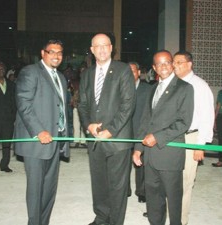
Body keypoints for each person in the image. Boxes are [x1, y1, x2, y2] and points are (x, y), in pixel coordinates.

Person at [78, 33, 136, 225]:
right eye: (97, 46)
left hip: (117, 139)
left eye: (105, 45)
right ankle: (102, 217)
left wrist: (110, 130)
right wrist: (88, 125)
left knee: (117, 187)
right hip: (95, 139)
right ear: (92, 50)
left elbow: (128, 104)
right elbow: (83, 104)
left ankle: (115, 221)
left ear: (111, 48)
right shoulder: (86, 74)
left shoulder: (123, 70)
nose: (102, 49)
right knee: (99, 183)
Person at [133, 50, 194, 225]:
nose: (164, 66)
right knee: (153, 199)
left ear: (173, 64)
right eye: (159, 64)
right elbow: (145, 121)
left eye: (167, 62)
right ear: (154, 68)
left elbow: (184, 122)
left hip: (170, 154)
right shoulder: (153, 89)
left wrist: (158, 137)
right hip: (151, 156)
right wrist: (138, 149)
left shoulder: (184, 88)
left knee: (174, 200)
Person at [14, 39, 70, 225]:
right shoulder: (30, 72)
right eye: (52, 52)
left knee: (49, 189)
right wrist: (39, 131)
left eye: (60, 52)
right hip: (37, 141)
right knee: (36, 188)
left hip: (56, 140)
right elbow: (23, 103)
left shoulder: (61, 77)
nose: (56, 56)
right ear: (42, 53)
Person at [173, 51, 214, 225]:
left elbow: (207, 117)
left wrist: (200, 145)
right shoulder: (172, 83)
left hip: (191, 138)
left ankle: (181, 220)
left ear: (189, 64)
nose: (175, 65)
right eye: (173, 62)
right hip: (172, 136)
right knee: (171, 178)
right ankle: (171, 213)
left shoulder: (200, 86)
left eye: (179, 62)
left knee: (185, 181)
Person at [128, 61, 151, 203]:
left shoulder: (148, 89)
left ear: (138, 73)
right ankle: (124, 189)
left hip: (140, 131)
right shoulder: (119, 87)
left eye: (133, 71)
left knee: (141, 163)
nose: (130, 74)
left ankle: (141, 191)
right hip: (123, 133)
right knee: (123, 164)